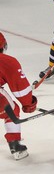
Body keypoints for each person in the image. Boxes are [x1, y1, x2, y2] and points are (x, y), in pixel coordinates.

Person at [0, 32, 37, 160]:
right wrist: (28, 103)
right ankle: (15, 145)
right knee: (11, 111)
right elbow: (20, 90)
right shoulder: (7, 61)